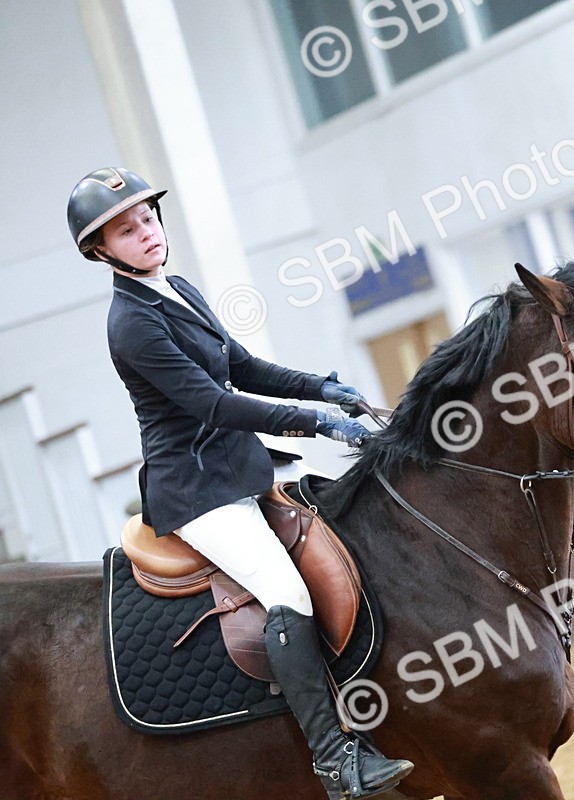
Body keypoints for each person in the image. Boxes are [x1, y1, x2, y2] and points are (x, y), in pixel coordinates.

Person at [67, 167, 413, 799]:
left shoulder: (176, 288)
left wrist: (320, 386)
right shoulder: (132, 323)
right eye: (126, 229)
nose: (145, 233)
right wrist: (319, 423)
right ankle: (335, 761)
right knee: (288, 593)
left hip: (240, 468)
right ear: (100, 250)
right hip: (196, 490)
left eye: (147, 219)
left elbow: (243, 366)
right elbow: (215, 404)